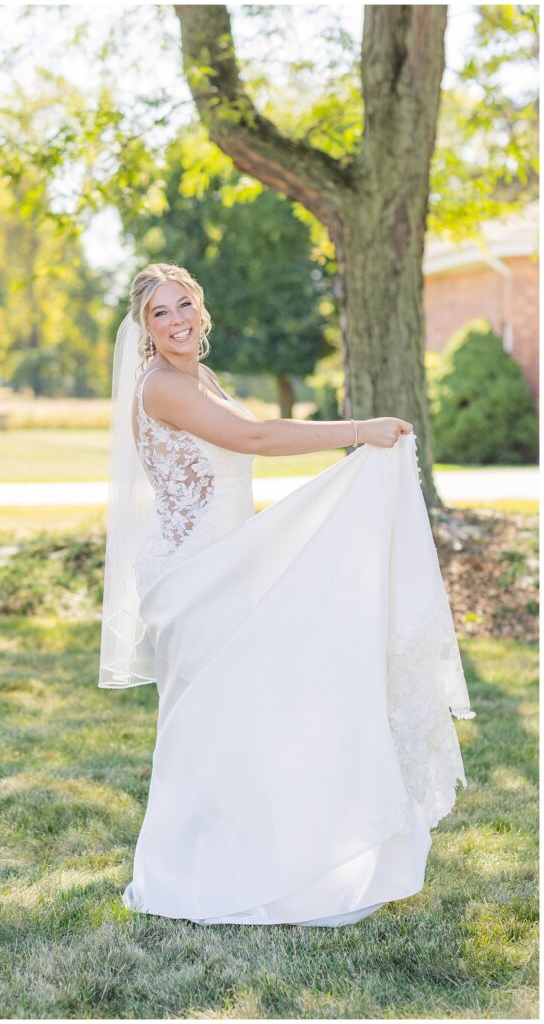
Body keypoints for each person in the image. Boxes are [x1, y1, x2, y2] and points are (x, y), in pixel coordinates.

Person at [98, 262, 475, 927]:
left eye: (184, 304)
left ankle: (242, 863)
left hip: (222, 565)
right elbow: (255, 438)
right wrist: (357, 431)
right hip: (190, 575)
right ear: (144, 329)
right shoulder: (161, 387)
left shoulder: (197, 379)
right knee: (205, 724)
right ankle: (192, 876)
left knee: (235, 720)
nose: (178, 319)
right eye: (161, 313)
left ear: (201, 307)